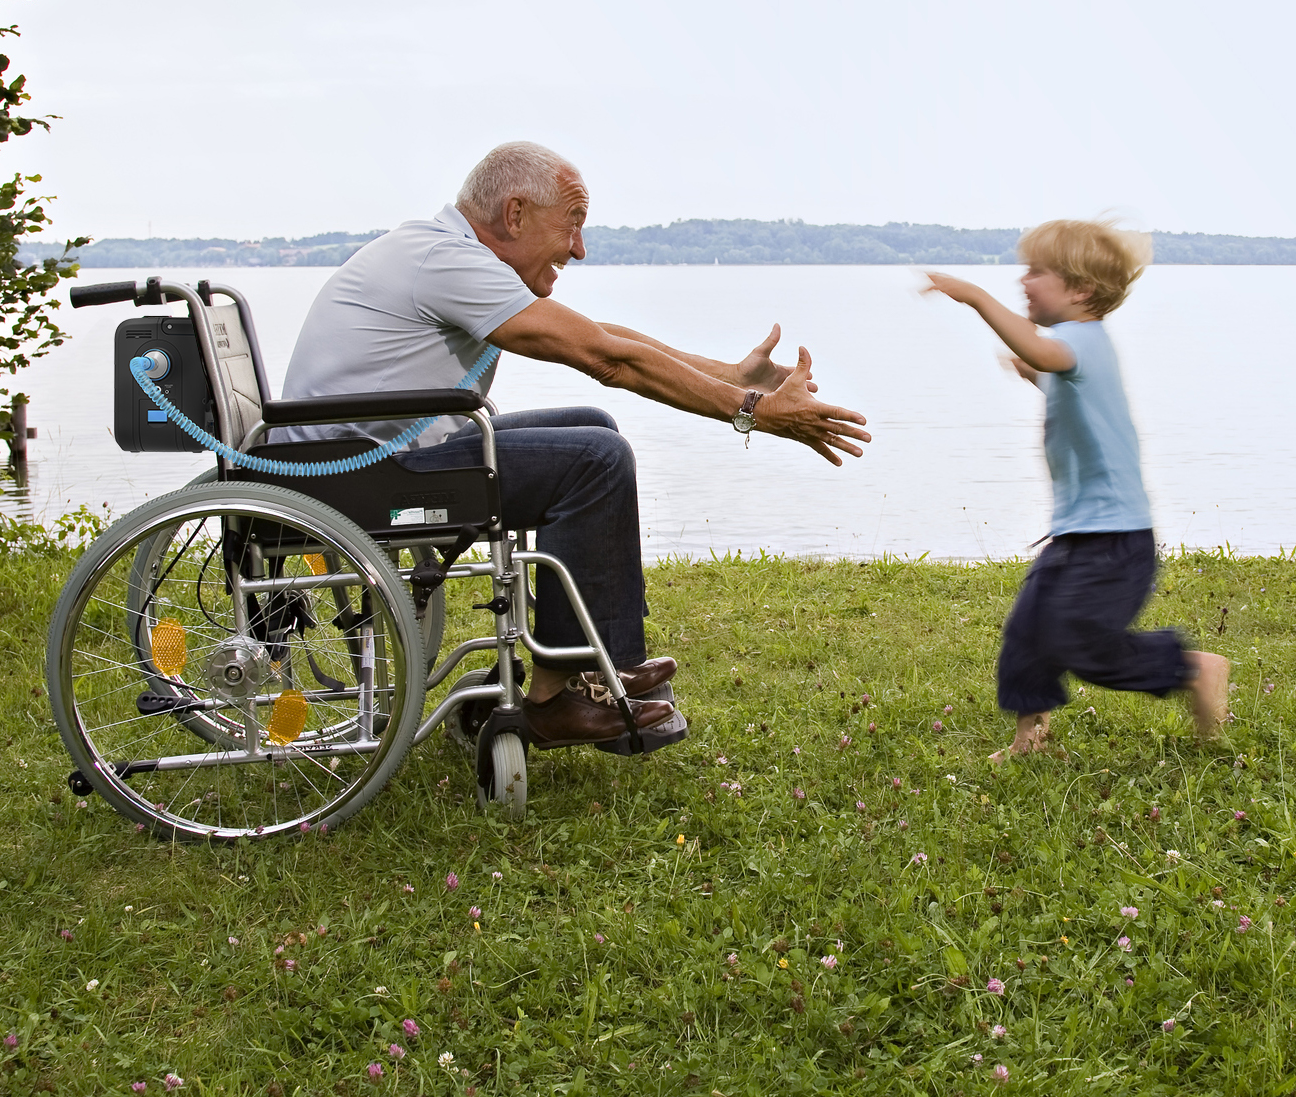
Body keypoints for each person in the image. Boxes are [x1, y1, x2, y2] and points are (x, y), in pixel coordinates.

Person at [280, 141, 871, 749]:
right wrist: (755, 413)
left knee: (593, 426)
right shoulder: (445, 261)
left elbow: (598, 335)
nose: (579, 248)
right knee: (595, 461)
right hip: (360, 477)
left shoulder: (449, 254)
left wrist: (731, 376)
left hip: (370, 460)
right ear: (515, 214)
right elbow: (603, 356)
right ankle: (557, 696)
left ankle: (597, 663)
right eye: (572, 224)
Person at [921, 220, 1228, 756]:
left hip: (1113, 540)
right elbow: (1061, 376)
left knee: (1081, 642)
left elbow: (1044, 352)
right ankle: (1031, 738)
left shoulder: (1078, 340)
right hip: (1081, 534)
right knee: (1029, 631)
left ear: (1080, 290)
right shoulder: (1079, 349)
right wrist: (1035, 376)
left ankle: (1191, 668)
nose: (1024, 281)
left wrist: (972, 297)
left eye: (1037, 272)